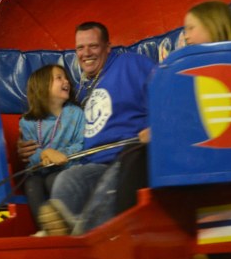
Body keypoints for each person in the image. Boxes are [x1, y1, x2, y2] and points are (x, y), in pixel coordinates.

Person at [20, 21, 156, 236]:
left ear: (107, 47)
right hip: (92, 163)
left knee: (114, 177)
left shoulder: (132, 64)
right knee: (67, 179)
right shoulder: (83, 90)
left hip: (130, 158)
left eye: (93, 46)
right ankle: (60, 235)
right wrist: (31, 150)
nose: (86, 53)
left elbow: (165, 96)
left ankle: (81, 241)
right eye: (80, 48)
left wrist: (156, 128)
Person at [139, 0, 231, 143]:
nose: (186, 36)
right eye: (185, 30)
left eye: (191, 28)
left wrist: (159, 132)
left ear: (212, 25)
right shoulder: (193, 72)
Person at [19, 64, 84, 224]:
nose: (66, 81)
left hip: (65, 169)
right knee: (31, 183)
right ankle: (45, 228)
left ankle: (68, 223)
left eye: (66, 77)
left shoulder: (76, 113)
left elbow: (81, 143)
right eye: (59, 78)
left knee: (52, 180)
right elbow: (30, 154)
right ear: (43, 86)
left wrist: (60, 155)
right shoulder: (27, 121)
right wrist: (43, 154)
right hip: (37, 172)